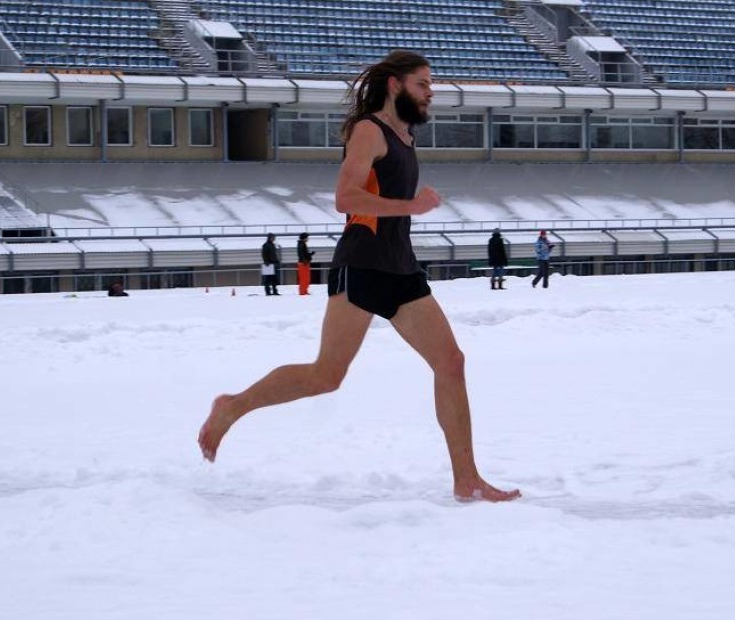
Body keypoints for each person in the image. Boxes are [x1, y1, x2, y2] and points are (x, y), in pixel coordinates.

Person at [198, 50, 520, 503]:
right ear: (395, 85)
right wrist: (410, 206)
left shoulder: (405, 136)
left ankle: (466, 478)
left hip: (400, 266)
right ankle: (231, 406)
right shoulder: (369, 131)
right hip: (363, 265)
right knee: (326, 375)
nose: (431, 93)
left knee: (451, 363)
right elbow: (346, 197)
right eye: (423, 84)